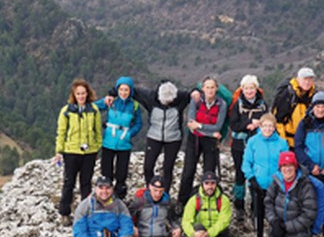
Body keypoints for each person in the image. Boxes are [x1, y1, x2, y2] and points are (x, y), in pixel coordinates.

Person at [110, 80, 199, 192]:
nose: (166, 104)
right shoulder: (150, 97)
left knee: (168, 168)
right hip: (154, 136)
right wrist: (111, 93)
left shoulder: (180, 97)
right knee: (148, 167)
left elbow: (193, 92)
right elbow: (131, 89)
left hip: (173, 138)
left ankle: (164, 194)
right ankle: (151, 191)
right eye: (164, 102)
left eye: (169, 102)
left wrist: (196, 91)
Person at [55, 79, 103, 224]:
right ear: (74, 95)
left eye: (83, 93)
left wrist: (96, 147)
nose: (81, 96)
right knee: (69, 182)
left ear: (87, 94)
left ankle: (85, 213)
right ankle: (65, 213)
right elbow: (61, 132)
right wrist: (59, 151)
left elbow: (98, 131)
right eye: (78, 94)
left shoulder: (94, 110)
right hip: (71, 151)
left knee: (86, 183)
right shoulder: (66, 111)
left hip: (89, 153)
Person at [177, 77, 227, 207]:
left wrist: (199, 126)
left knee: (209, 173)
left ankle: (207, 203)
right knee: (188, 171)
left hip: (210, 142)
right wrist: (210, 132)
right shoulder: (196, 101)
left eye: (212, 87)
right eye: (207, 87)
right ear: (203, 88)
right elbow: (191, 123)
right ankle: (182, 202)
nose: (210, 90)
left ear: (216, 89)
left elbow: (217, 127)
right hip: (194, 139)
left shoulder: (222, 105)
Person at [181, 171, 242, 237]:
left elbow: (223, 221)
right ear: (202, 184)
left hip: (216, 234)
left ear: (216, 184)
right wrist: (193, 234)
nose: (210, 186)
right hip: (199, 235)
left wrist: (209, 233)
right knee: (198, 227)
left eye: (212, 183)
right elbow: (186, 221)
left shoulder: (223, 200)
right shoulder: (194, 200)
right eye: (207, 183)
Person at [241, 113, 288, 237]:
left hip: (276, 184)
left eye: (270, 126)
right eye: (265, 126)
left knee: (276, 212)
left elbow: (285, 165)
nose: (267, 129)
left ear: (274, 127)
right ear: (260, 126)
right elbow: (246, 162)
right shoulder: (253, 141)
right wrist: (251, 178)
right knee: (259, 212)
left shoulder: (282, 143)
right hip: (257, 183)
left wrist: (279, 179)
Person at [95, 76, 142, 200]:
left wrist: (129, 134)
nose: (123, 93)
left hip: (124, 143)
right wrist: (105, 99)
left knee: (122, 174)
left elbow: (138, 124)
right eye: (121, 89)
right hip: (108, 142)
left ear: (131, 91)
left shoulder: (135, 106)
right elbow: (94, 107)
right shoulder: (111, 102)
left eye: (126, 90)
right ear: (117, 90)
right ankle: (105, 197)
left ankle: (119, 199)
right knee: (106, 173)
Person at [228, 74, 268, 221]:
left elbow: (269, 122)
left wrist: (260, 124)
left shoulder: (262, 105)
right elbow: (233, 125)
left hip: (257, 145)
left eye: (252, 88)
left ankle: (255, 206)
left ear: (256, 89)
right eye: (246, 88)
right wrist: (249, 124)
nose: (249, 91)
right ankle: (239, 205)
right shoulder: (237, 104)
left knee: (255, 175)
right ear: (242, 89)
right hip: (239, 145)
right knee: (240, 174)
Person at [271, 67, 316, 149]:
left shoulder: (314, 96)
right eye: (305, 79)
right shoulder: (287, 94)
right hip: (289, 142)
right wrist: (283, 143)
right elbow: (278, 120)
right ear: (298, 79)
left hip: (306, 142)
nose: (307, 82)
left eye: (310, 79)